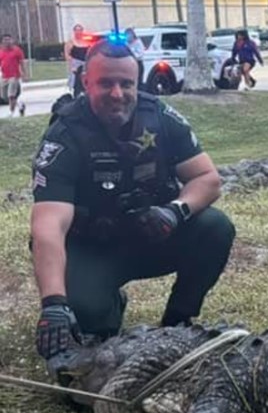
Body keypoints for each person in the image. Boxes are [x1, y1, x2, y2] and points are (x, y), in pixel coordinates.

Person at [28, 39, 235, 360]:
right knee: (90, 322)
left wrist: (174, 212)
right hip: (89, 246)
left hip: (149, 234)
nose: (117, 94)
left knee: (215, 227)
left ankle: (178, 321)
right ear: (86, 83)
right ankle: (103, 304)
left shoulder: (161, 117)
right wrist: (54, 303)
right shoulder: (65, 134)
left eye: (126, 83)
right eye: (105, 83)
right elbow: (48, 225)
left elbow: (207, 179)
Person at [0, 34, 28, 117]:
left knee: (11, 95)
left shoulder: (17, 50)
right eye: (5, 40)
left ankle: (11, 113)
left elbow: (22, 63)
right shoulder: (1, 51)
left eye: (9, 39)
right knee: (4, 97)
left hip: (14, 76)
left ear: (12, 40)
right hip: (4, 77)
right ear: (2, 42)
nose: (7, 41)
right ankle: (20, 105)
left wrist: (24, 74)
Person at [63, 24, 89, 96]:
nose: (78, 32)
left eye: (80, 30)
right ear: (74, 32)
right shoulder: (70, 42)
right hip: (75, 66)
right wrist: (71, 66)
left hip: (85, 65)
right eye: (77, 30)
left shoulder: (86, 42)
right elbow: (67, 55)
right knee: (76, 84)